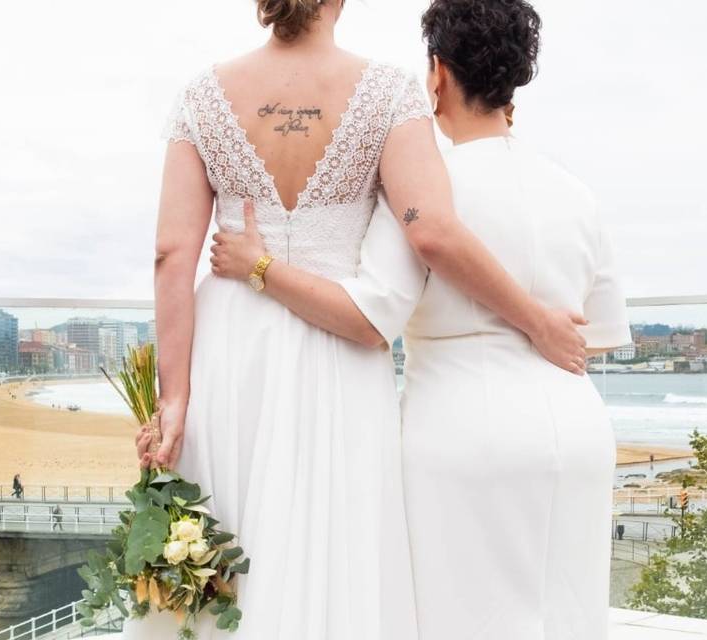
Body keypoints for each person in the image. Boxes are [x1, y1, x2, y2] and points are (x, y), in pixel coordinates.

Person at [132, 1, 588, 638]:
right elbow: (430, 230)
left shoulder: (203, 96)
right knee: (328, 553)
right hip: (338, 351)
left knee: (220, 555)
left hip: (227, 355)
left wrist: (174, 398)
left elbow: (171, 254)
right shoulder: (388, 94)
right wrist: (536, 320)